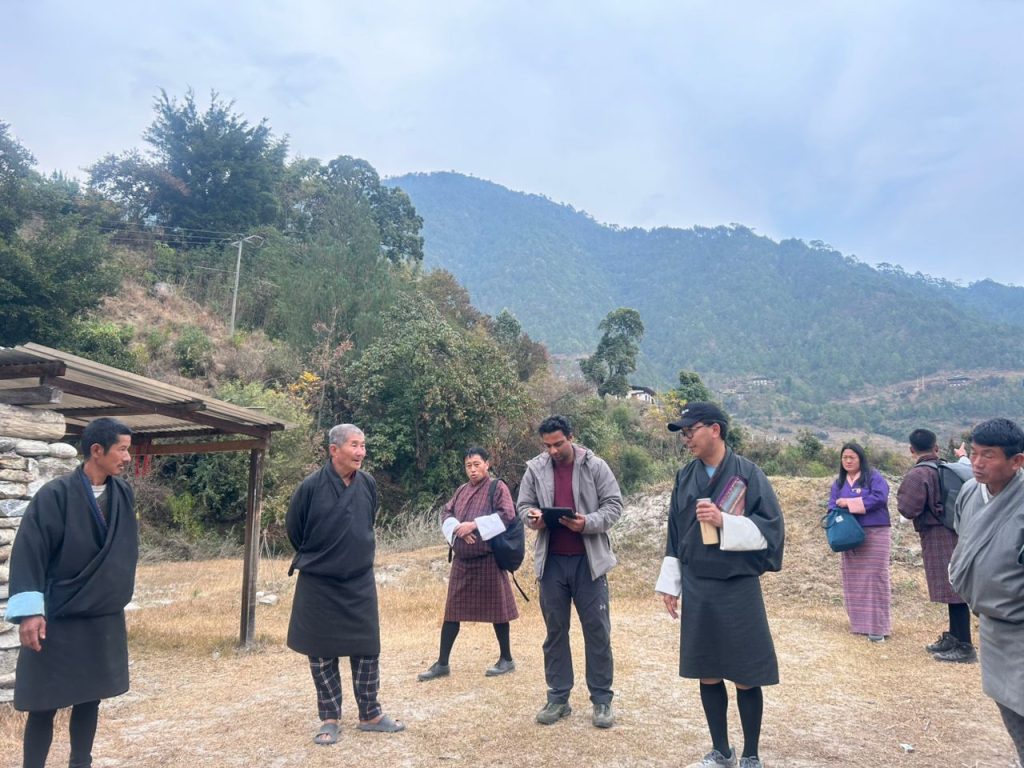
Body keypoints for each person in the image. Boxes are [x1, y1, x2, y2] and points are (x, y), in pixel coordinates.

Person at [655, 403, 784, 768]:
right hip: (698, 583)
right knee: (707, 669)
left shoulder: (748, 474)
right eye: (683, 433)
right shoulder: (685, 476)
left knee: (746, 673)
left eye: (690, 430)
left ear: (715, 429)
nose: (686, 438)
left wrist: (724, 521)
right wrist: (671, 583)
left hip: (738, 584)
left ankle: (751, 755)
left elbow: (772, 530)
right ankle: (721, 751)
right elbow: (675, 532)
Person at [5, 417, 138, 768]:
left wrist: (114, 593)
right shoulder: (55, 495)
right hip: (57, 616)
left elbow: (123, 550)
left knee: (90, 697)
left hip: (100, 614)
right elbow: (29, 551)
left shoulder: (123, 493)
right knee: (43, 703)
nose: (127, 457)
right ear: (97, 450)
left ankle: (82, 763)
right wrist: (31, 612)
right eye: (122, 449)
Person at [286, 424, 404, 745]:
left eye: (363, 445)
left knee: (367, 649)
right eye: (354, 445)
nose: (361, 452)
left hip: (359, 580)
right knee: (321, 653)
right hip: (319, 581)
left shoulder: (367, 484)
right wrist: (324, 557)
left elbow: (367, 521)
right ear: (334, 450)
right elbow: (295, 529)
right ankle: (329, 717)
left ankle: (370, 714)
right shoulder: (310, 487)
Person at [517, 415, 622, 729]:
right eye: (547, 445)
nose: (552, 451)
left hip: (589, 563)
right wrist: (533, 517)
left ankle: (601, 700)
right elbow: (523, 505)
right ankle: (558, 698)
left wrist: (586, 523)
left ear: (571, 437)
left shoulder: (595, 466)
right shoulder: (535, 468)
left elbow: (614, 505)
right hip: (551, 564)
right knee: (555, 632)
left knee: (597, 631)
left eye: (558, 444)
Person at [949, 418, 1024, 765]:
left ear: (1017, 461)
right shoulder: (969, 492)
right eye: (975, 453)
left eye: (989, 455)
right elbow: (965, 539)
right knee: (1009, 709)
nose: (977, 463)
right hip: (993, 628)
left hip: (1021, 627)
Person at [418, 446, 519, 681]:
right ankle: (442, 663)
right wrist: (458, 529)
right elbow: (446, 513)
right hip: (462, 561)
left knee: (498, 611)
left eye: (476, 464)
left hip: (489, 559)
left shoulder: (497, 487)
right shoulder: (462, 490)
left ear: (487, 464)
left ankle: (506, 659)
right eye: (468, 466)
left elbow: (507, 514)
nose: (472, 470)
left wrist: (474, 525)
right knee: (452, 612)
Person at [896, 429, 975, 662]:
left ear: (911, 450)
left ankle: (965, 646)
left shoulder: (918, 474)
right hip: (955, 531)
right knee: (953, 586)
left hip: (936, 534)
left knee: (954, 590)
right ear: (937, 447)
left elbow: (907, 509)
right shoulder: (945, 467)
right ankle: (954, 637)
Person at [828, 441, 892, 642]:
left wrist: (849, 503)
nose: (848, 461)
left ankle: (878, 628)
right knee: (853, 579)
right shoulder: (839, 483)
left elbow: (880, 498)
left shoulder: (873, 476)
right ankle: (860, 624)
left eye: (852, 457)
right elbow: (831, 506)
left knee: (876, 577)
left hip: (875, 532)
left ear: (860, 459)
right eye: (844, 457)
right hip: (850, 536)